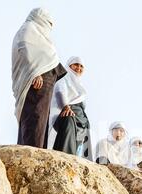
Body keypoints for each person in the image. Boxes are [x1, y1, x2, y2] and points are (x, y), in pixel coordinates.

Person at [12, 8, 67, 148]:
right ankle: (32, 148)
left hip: (45, 77)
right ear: (40, 19)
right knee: (34, 116)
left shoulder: (36, 32)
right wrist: (35, 73)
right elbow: (25, 47)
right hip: (37, 78)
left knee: (41, 117)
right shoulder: (29, 28)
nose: (49, 27)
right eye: (47, 23)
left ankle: (39, 148)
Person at [47, 56, 92, 160]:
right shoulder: (64, 78)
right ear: (69, 65)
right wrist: (65, 107)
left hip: (81, 120)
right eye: (76, 64)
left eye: (81, 66)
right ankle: (65, 158)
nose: (78, 68)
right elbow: (59, 91)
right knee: (68, 124)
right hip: (68, 113)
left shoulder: (79, 85)